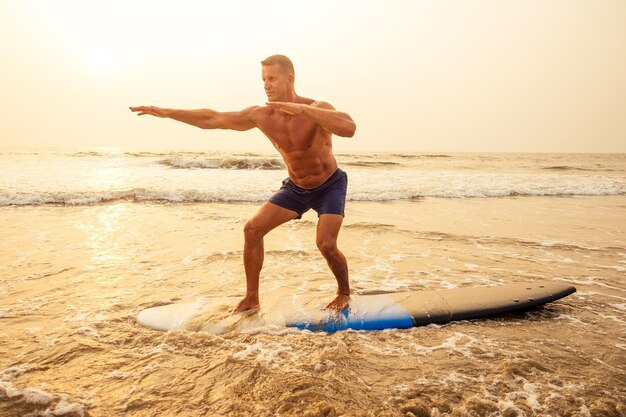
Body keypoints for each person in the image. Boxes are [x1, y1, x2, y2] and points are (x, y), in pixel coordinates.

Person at [130, 54, 356, 312]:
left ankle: (344, 292)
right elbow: (212, 119)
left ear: (290, 79)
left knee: (326, 243)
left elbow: (348, 128)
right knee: (252, 229)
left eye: (272, 79)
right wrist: (166, 112)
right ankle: (251, 298)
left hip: (329, 185)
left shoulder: (317, 108)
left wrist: (304, 110)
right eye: (263, 80)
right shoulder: (261, 115)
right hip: (296, 188)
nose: (266, 85)